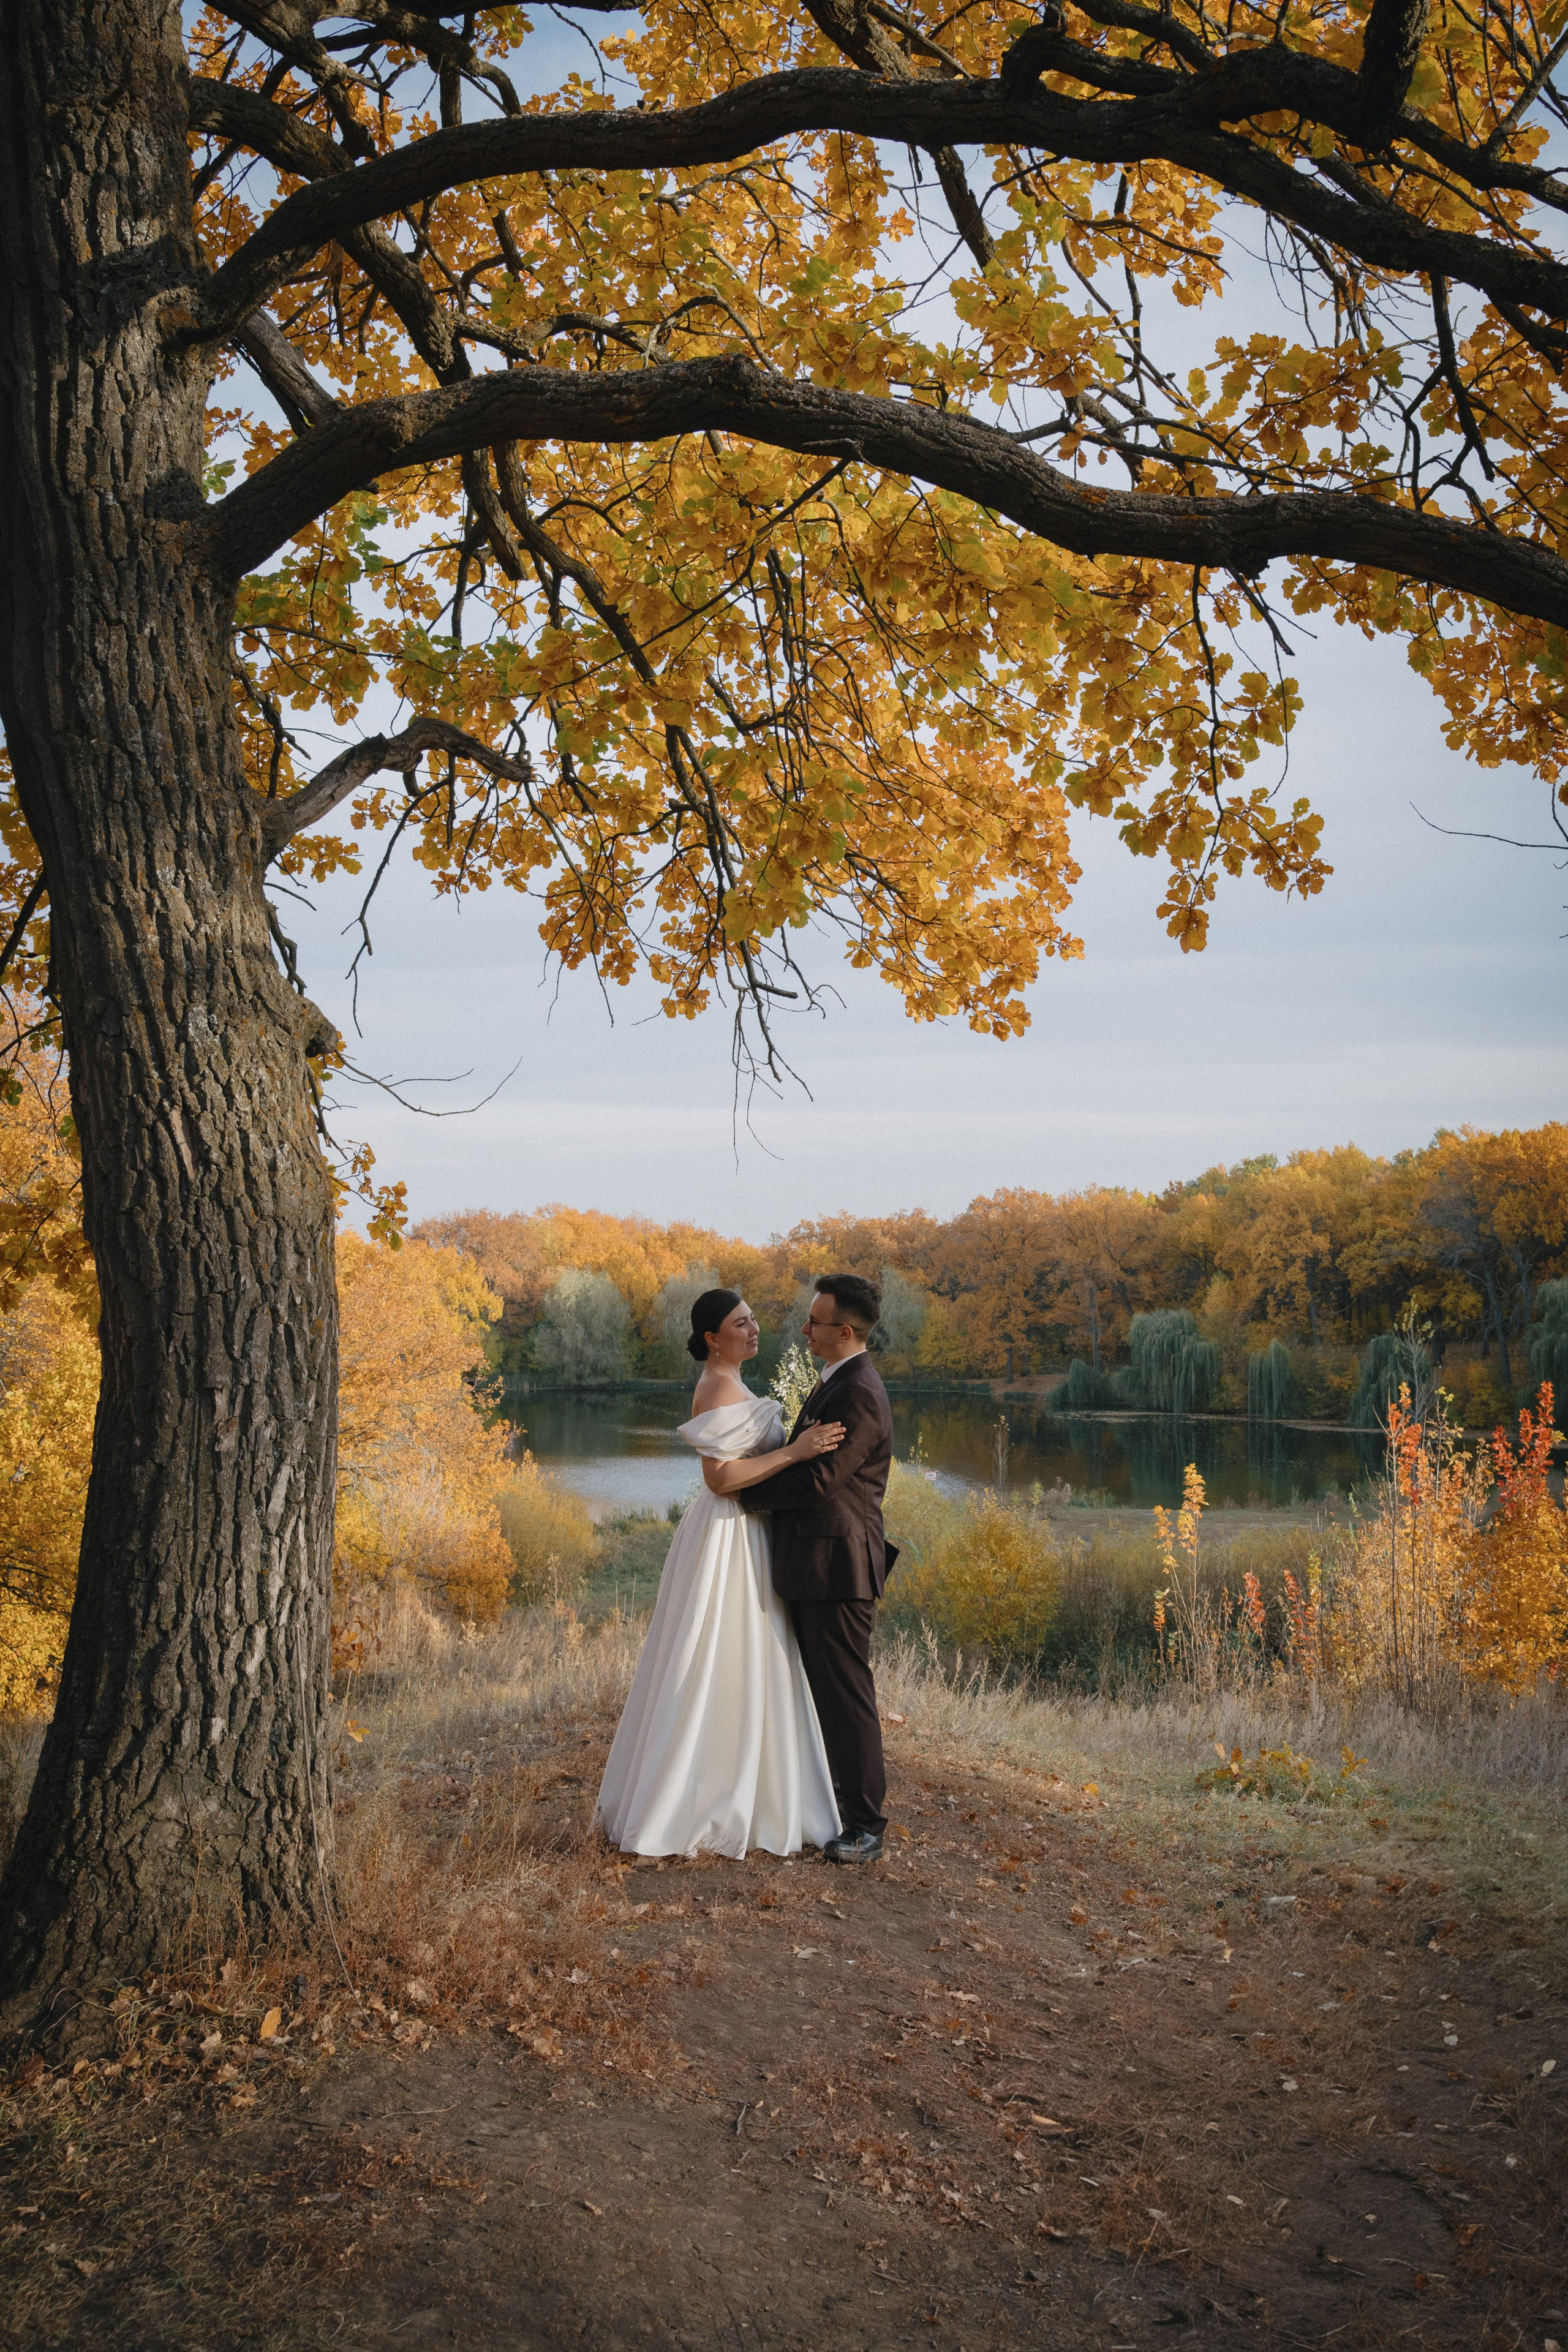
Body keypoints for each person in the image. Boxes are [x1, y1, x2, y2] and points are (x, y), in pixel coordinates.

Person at [595, 1289, 846, 1858]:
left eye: (754, 1319)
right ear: (713, 1338)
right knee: (715, 1655)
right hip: (727, 1533)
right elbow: (721, 1478)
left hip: (748, 1532)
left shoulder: (732, 1382)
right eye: (741, 1323)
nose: (754, 1329)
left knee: (748, 1656)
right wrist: (797, 1452)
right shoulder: (714, 1386)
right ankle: (698, 1799)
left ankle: (758, 1790)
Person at [738, 1274, 897, 1865]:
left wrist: (740, 1490)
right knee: (823, 1692)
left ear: (845, 1331)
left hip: (838, 1567)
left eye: (814, 1321)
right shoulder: (838, 1380)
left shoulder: (858, 1392)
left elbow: (820, 1480)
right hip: (818, 1563)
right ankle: (832, 1805)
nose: (805, 1329)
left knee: (846, 1695)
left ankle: (866, 1826)